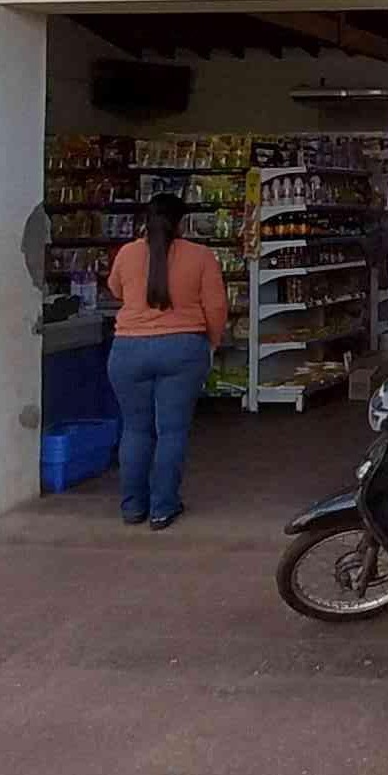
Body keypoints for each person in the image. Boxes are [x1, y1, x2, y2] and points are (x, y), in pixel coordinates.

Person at [105, 190, 228, 529]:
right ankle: (163, 507)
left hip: (128, 350)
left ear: (146, 222)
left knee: (135, 429)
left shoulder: (128, 253)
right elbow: (216, 306)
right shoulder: (201, 256)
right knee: (171, 431)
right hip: (182, 349)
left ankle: (133, 507)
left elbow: (115, 289)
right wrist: (211, 342)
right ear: (181, 223)